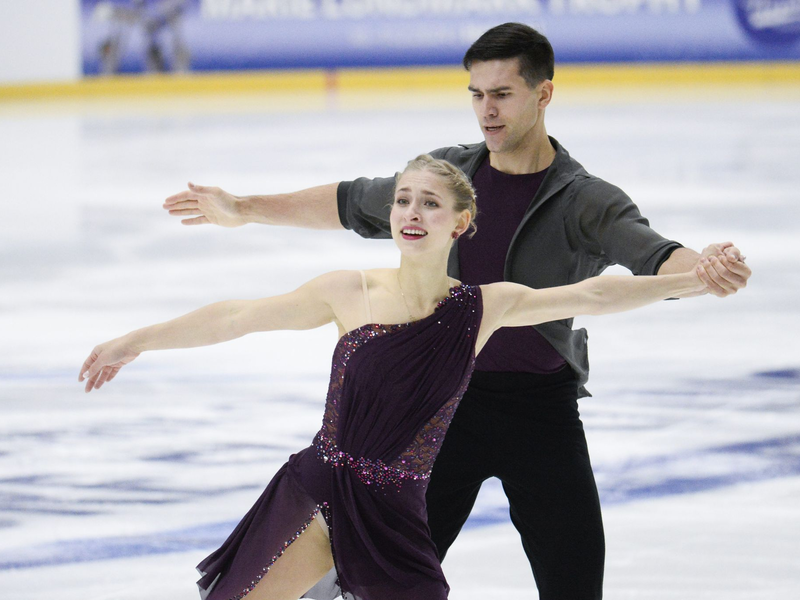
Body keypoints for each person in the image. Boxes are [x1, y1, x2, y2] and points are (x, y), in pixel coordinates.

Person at [161, 24, 752, 599]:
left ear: (543, 94)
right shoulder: (449, 179)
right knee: (361, 581)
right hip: (437, 415)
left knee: (574, 581)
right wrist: (241, 206)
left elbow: (651, 255)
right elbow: (350, 201)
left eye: (502, 94)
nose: (486, 109)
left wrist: (706, 270)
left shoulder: (583, 198)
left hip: (540, 416)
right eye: (477, 94)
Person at [83, 155, 718, 600]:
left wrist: (695, 278)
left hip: (397, 512)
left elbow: (595, 294)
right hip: (323, 494)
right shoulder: (348, 290)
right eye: (403, 200)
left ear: (460, 222)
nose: (411, 212)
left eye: (430, 203)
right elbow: (238, 318)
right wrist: (134, 340)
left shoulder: (483, 307)